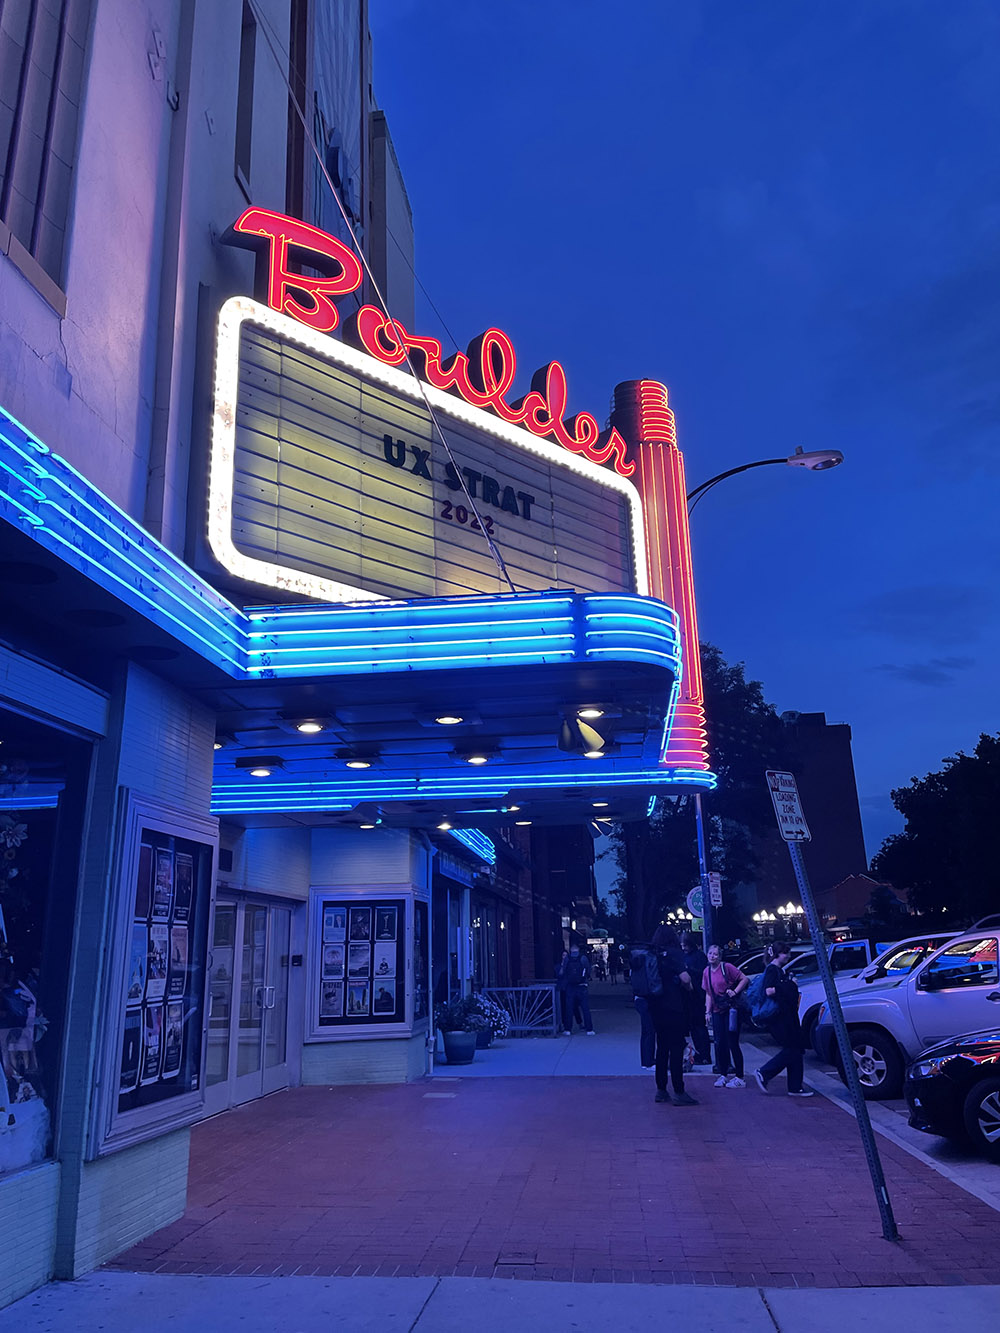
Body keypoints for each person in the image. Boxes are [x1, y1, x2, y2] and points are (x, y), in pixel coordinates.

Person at [754, 940, 814, 1097]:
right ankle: (765, 1072)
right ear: (778, 954)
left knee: (796, 1049)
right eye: (786, 953)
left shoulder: (777, 970)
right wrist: (790, 985)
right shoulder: (773, 971)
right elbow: (769, 991)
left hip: (784, 1016)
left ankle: (795, 1086)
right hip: (781, 1017)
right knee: (793, 1049)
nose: (788, 956)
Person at [647, 925, 697, 1105]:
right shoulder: (675, 954)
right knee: (676, 1050)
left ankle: (661, 1090)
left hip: (656, 1007)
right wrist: (690, 988)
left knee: (661, 1048)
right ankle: (679, 1091)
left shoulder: (653, 954)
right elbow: (685, 979)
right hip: (674, 1007)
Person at [702, 944, 748, 1087]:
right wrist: (707, 1011)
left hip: (730, 1008)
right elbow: (708, 993)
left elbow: (744, 979)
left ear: (719, 956)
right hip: (717, 1009)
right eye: (710, 953)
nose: (712, 956)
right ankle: (723, 1074)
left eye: (715, 954)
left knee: (732, 1041)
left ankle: (739, 1076)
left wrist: (734, 992)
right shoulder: (707, 972)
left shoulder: (726, 968)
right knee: (719, 1042)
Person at [680, 931, 711, 1065]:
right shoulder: (691, 956)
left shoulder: (698, 957)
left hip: (697, 996)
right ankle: (701, 1053)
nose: (683, 948)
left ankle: (704, 1054)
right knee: (695, 1027)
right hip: (690, 996)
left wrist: (689, 970)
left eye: (685, 945)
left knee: (699, 1026)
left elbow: (702, 974)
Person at [557, 945, 595, 1035]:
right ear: (578, 949)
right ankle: (589, 1029)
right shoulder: (583, 958)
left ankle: (568, 1029)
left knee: (569, 1008)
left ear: (571, 950)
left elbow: (563, 972)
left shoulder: (567, 959)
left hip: (570, 987)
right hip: (582, 986)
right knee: (585, 1008)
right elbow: (588, 971)